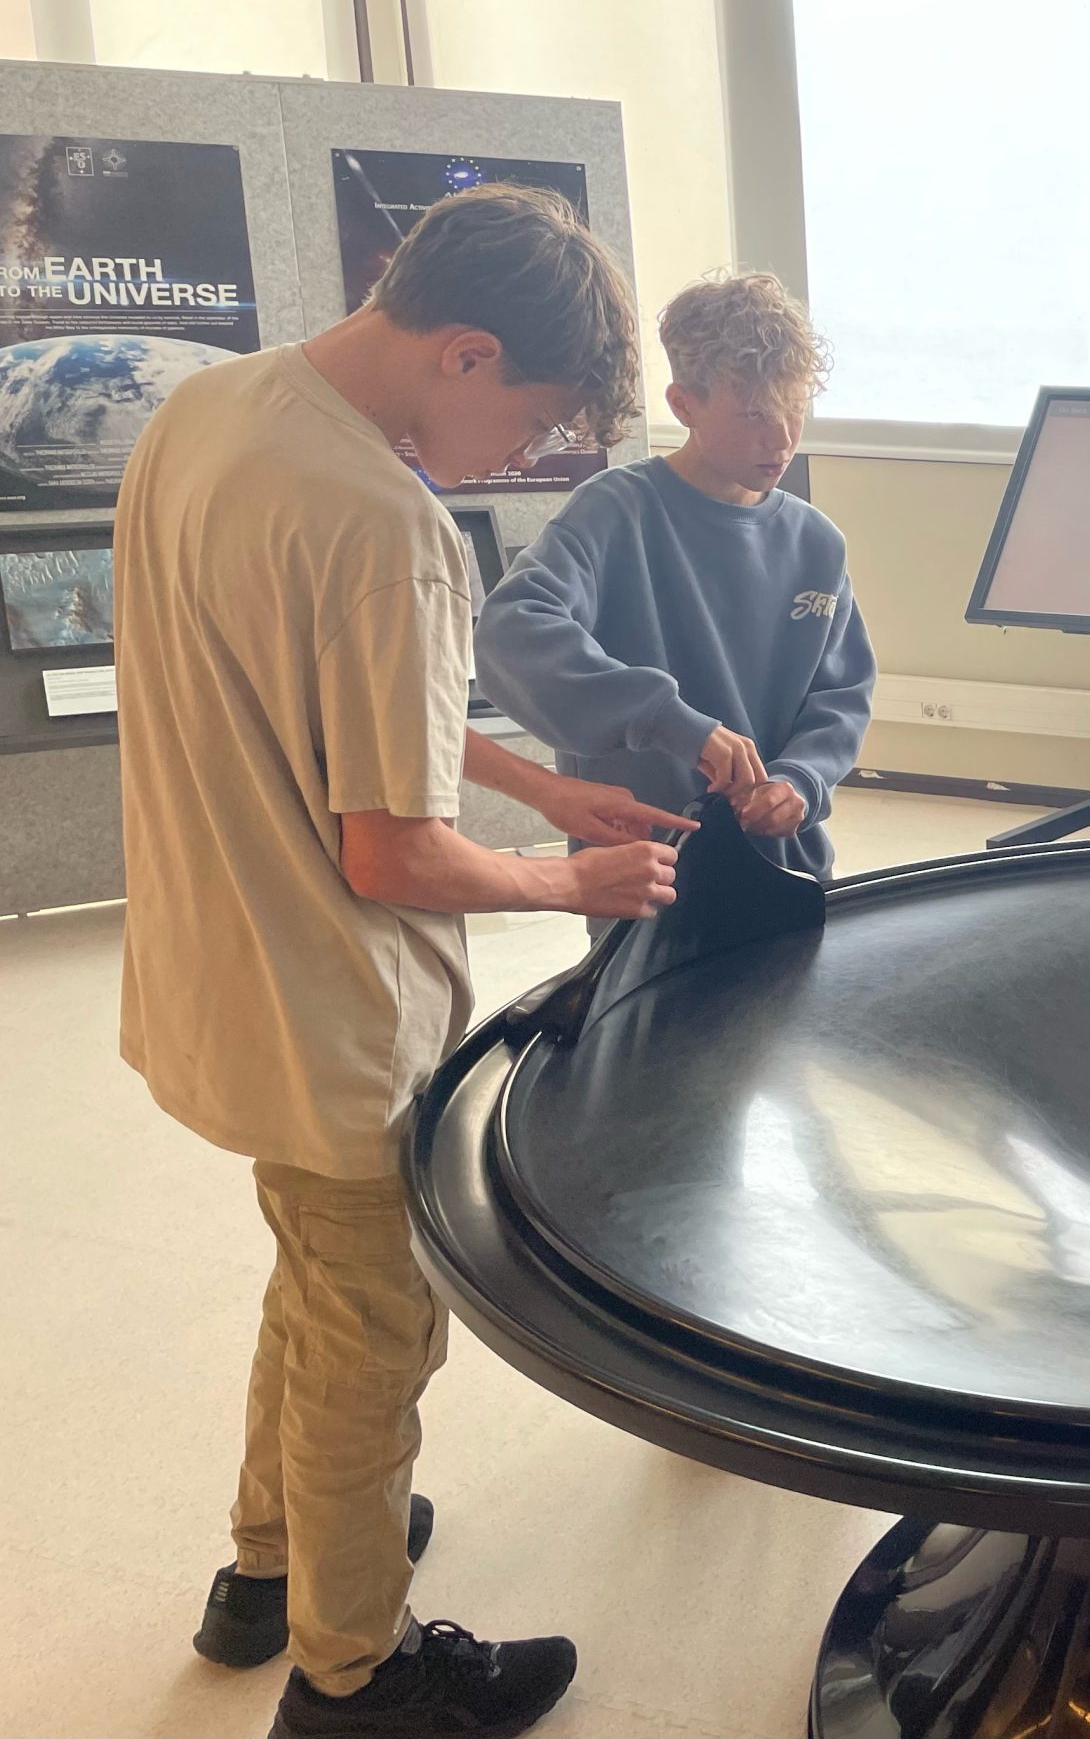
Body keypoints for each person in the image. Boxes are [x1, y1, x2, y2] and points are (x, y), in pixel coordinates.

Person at [116, 184, 690, 1739]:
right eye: (533, 419)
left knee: (312, 1279)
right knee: (372, 1336)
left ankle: (267, 1567)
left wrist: (540, 784)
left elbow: (325, 699)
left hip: (215, 969)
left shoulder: (211, 410)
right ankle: (355, 1675)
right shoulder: (391, 524)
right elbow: (392, 855)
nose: (516, 455)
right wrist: (570, 877)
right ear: (467, 351)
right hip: (332, 1012)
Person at [472, 271, 874, 883]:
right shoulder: (613, 510)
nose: (782, 438)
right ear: (684, 405)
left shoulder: (817, 542)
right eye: (755, 414)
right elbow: (511, 633)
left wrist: (802, 780)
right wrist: (667, 720)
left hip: (791, 871)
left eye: (795, 410)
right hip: (639, 873)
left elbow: (840, 696)